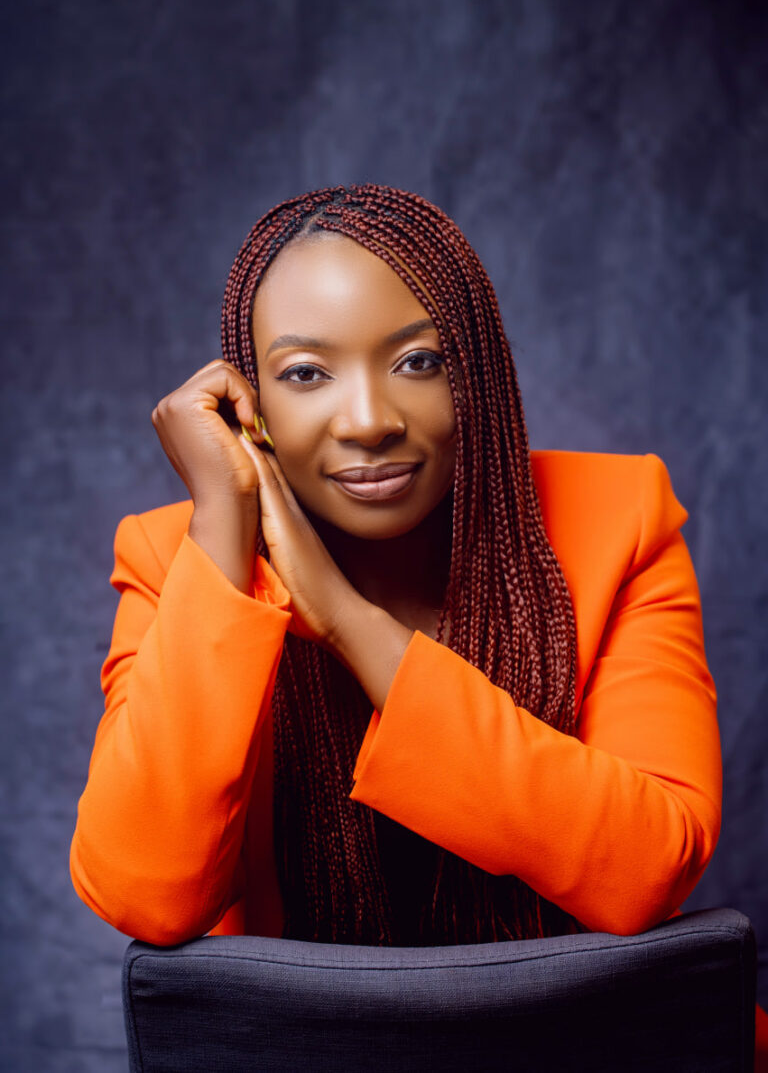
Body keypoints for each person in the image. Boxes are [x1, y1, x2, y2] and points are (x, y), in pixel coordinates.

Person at [71, 183, 723, 955]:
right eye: (306, 373)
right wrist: (222, 520)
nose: (370, 421)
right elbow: (147, 894)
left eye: (419, 361)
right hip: (306, 1029)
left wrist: (348, 622)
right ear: (252, 402)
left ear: (477, 373)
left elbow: (648, 867)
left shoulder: (619, 520)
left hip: (592, 1026)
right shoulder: (176, 558)